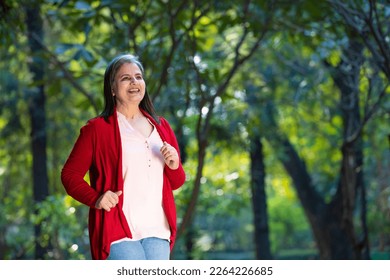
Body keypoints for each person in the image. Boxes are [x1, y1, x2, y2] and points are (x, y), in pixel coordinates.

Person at [61, 53, 186, 260]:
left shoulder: (161, 127)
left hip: (158, 229)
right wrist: (97, 198)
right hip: (116, 228)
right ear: (112, 88)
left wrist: (174, 165)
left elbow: (176, 182)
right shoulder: (97, 129)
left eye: (138, 77)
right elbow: (70, 175)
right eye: (125, 78)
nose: (134, 82)